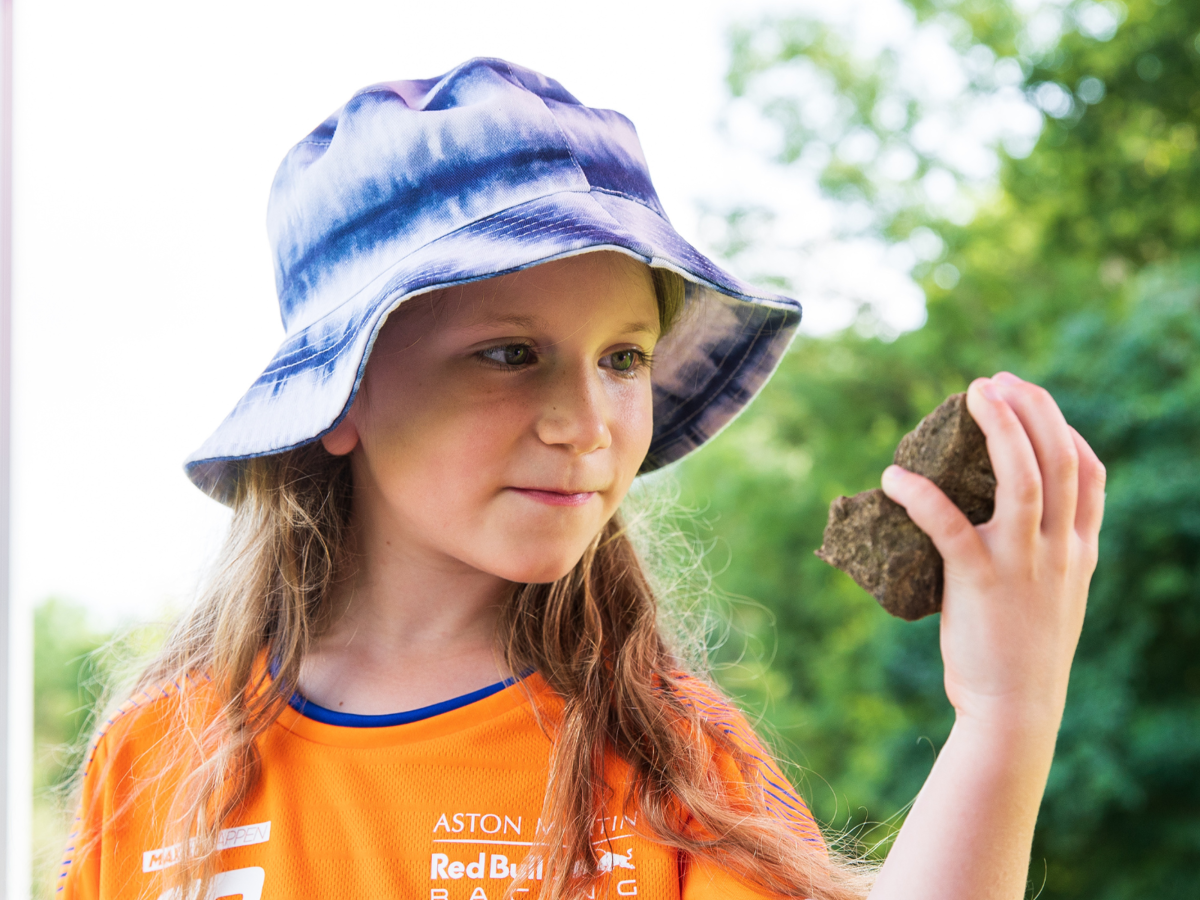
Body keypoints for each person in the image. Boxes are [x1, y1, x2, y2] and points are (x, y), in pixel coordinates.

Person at [58, 58, 1105, 900]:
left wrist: (1007, 713)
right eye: (509, 354)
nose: (587, 425)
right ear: (343, 401)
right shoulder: (160, 760)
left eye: (624, 358)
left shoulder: (670, 760)